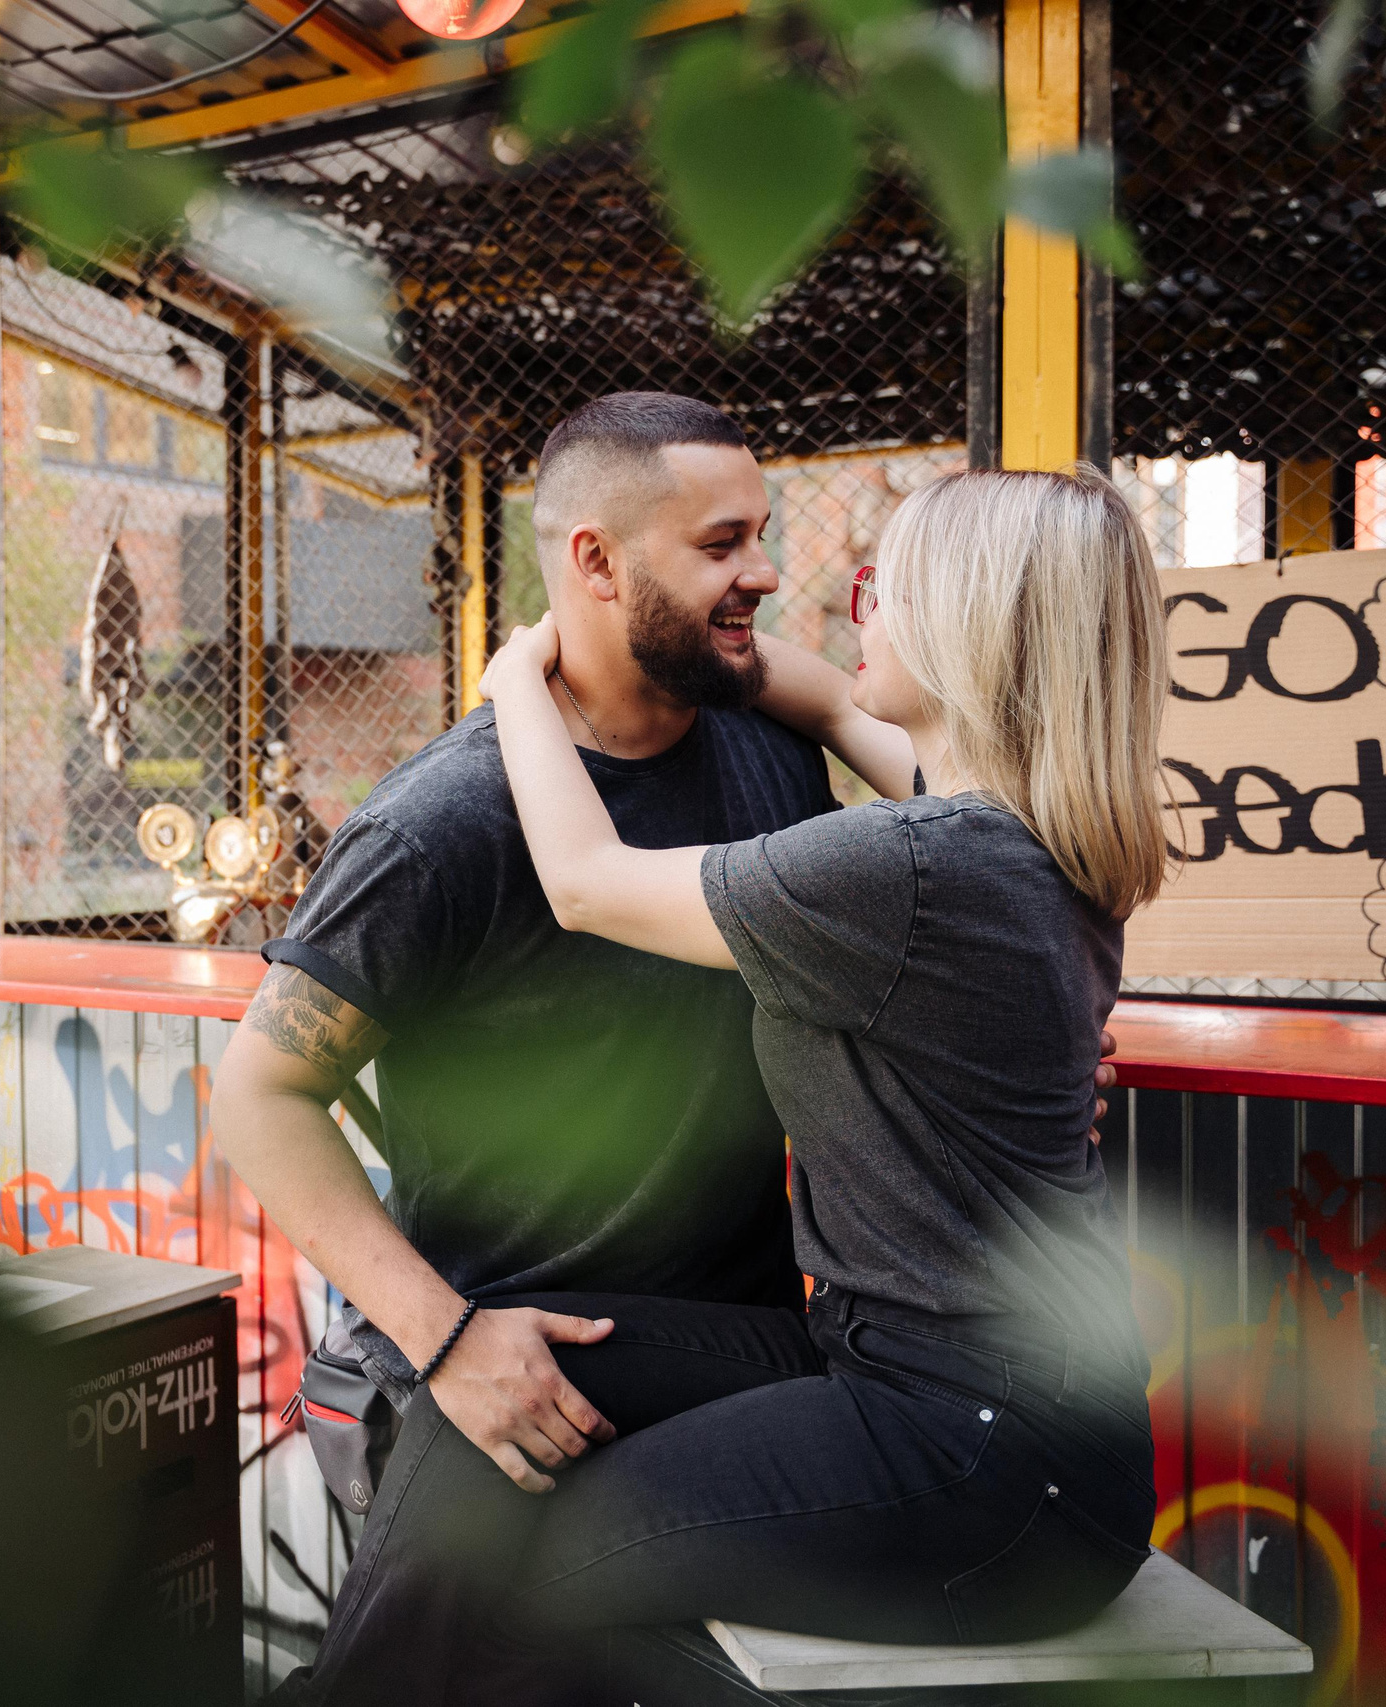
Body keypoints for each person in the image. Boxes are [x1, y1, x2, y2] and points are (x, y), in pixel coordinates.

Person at [380, 463, 1164, 1705]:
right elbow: (836, 701)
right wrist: (701, 643)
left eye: (884, 591)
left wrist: (517, 676)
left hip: (990, 1458)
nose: (856, 611)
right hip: (975, 1397)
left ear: (966, 631)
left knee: (548, 1557)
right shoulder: (1032, 830)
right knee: (516, 1368)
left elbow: (585, 882)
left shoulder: (909, 868)